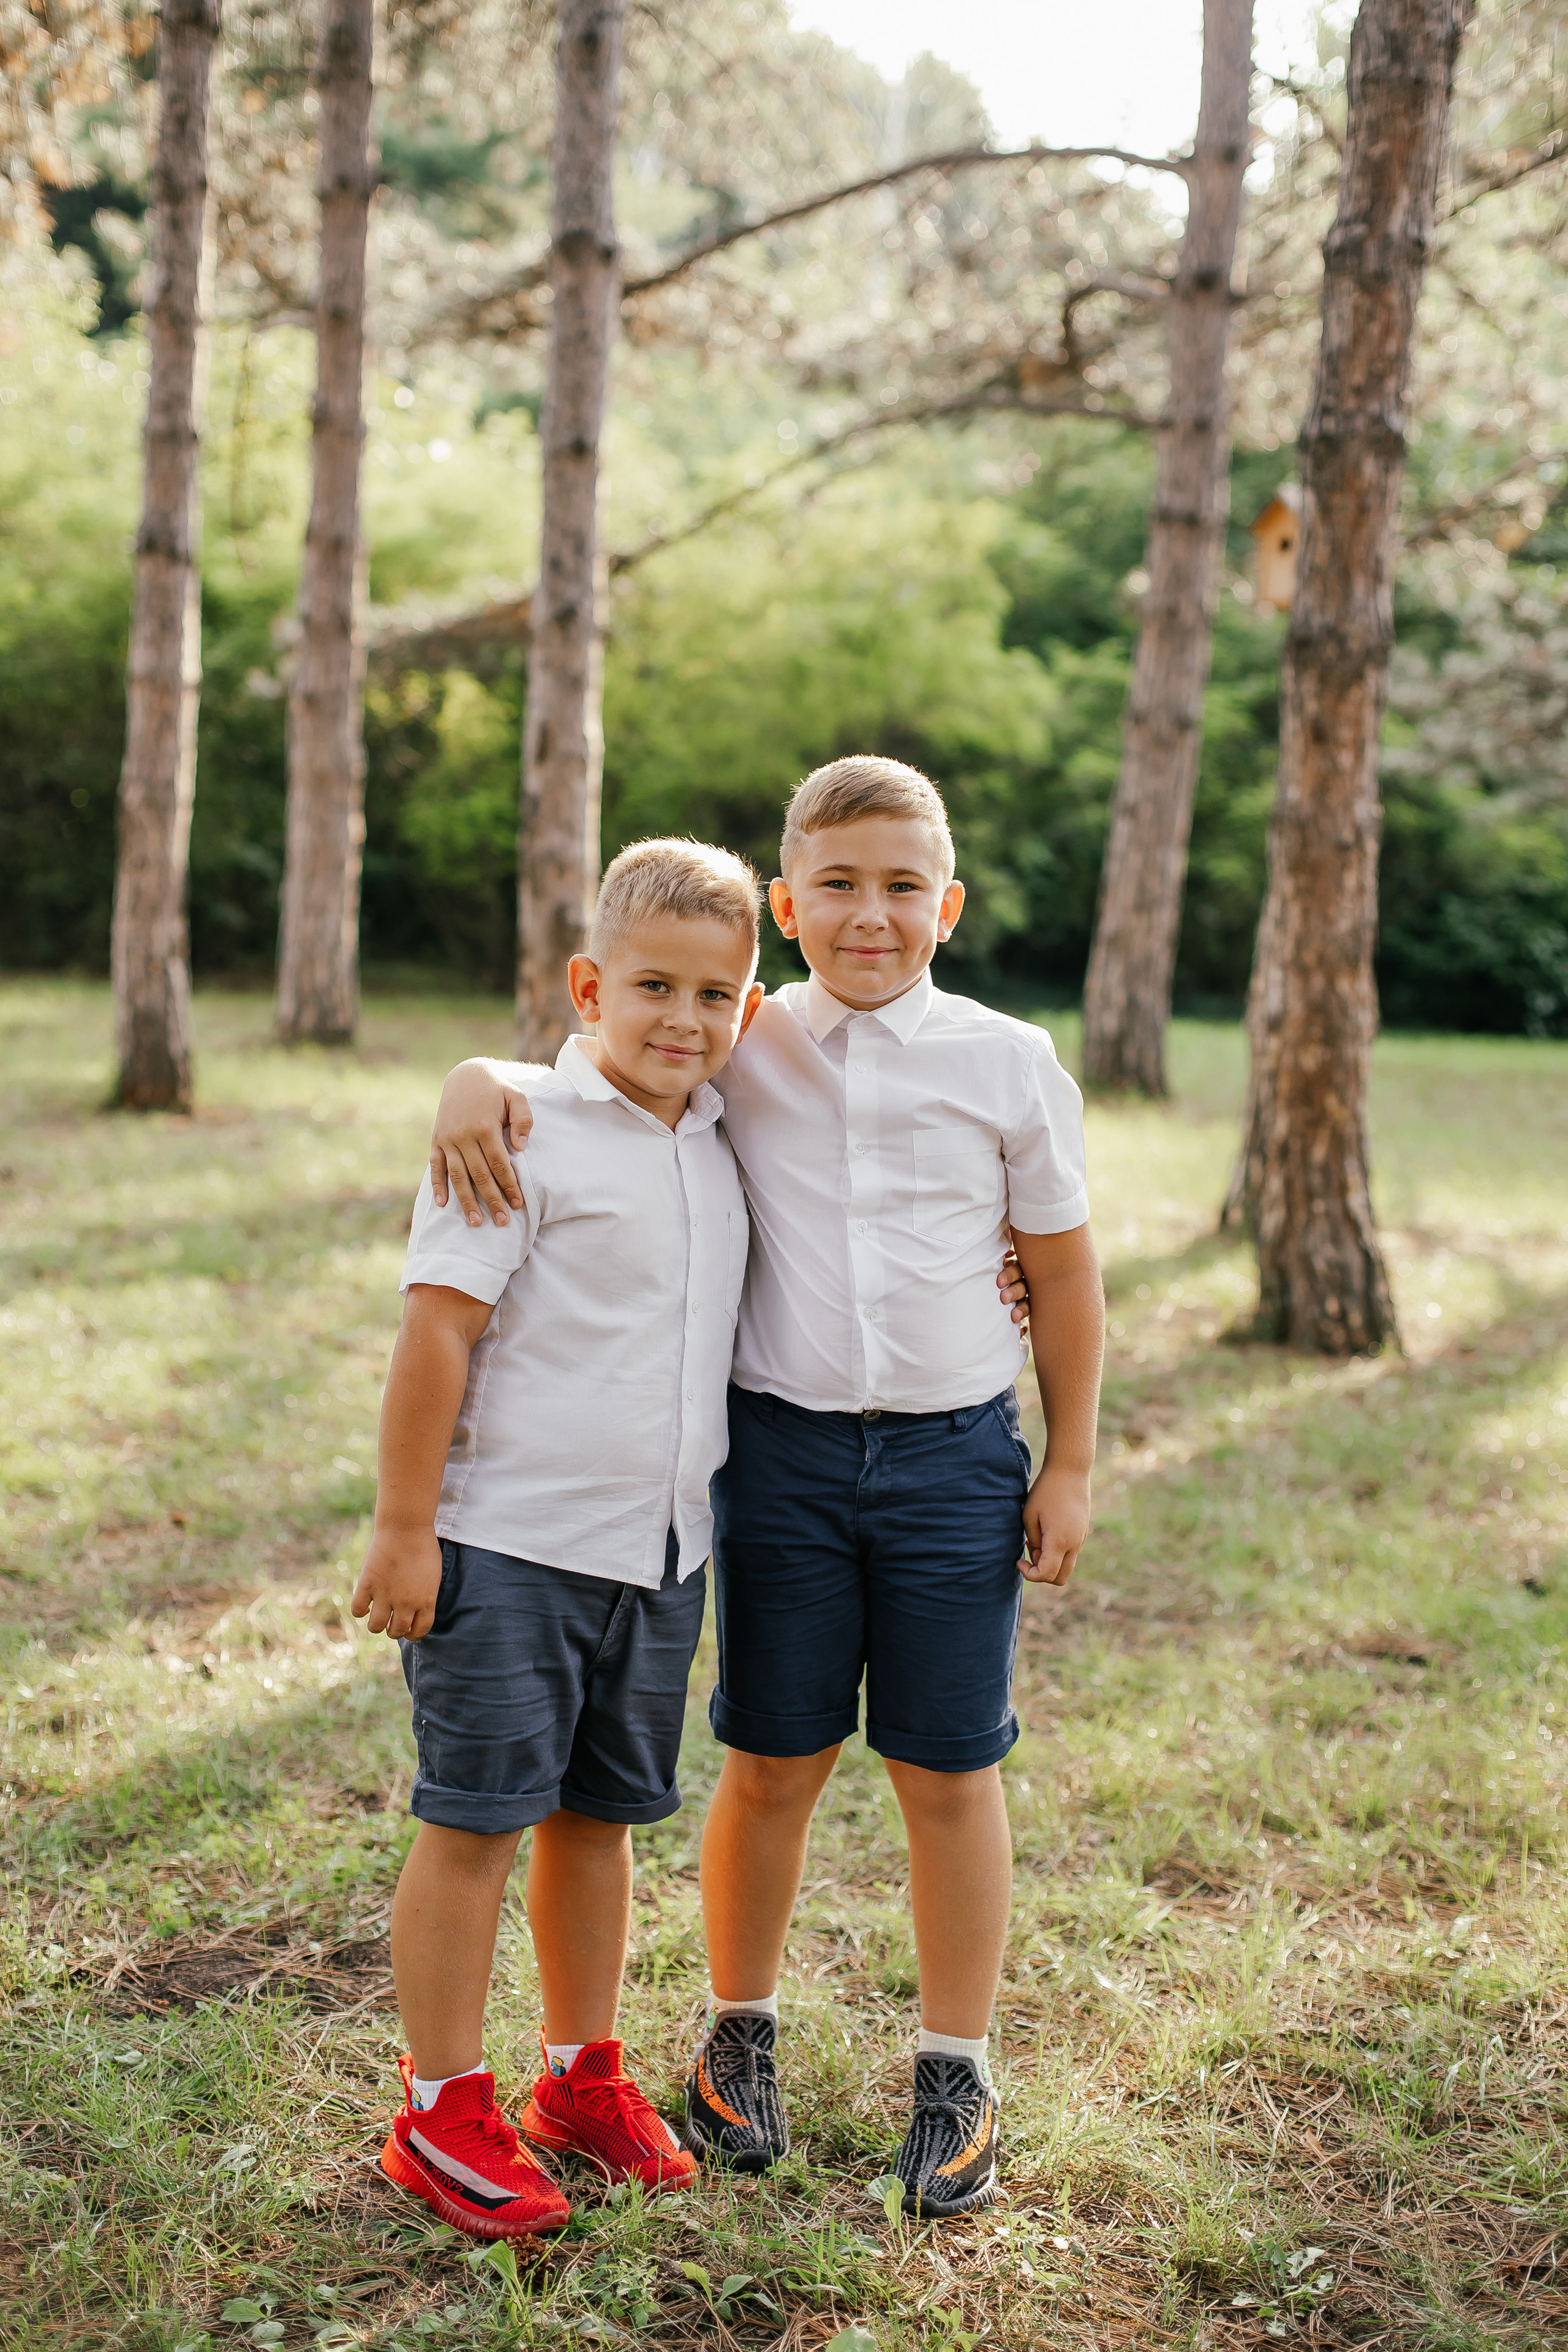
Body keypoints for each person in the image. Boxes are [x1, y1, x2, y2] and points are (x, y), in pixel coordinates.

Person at [427, 757, 1105, 2218]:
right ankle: (741, 2030)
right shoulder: (746, 1039)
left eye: (904, 886)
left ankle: (955, 2064)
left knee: (946, 1766)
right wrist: (469, 1078)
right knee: (775, 1758)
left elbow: (1057, 1270)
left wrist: (1072, 1461)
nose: (872, 916)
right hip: (781, 1456)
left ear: (950, 904)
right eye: (839, 888)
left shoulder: (1007, 1059)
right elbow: (603, 1048)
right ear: (788, 908)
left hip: (951, 1462)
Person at [351, 837, 764, 2239]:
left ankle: (578, 2074)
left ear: (745, 1015)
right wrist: (407, 1528)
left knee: (601, 1823)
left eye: (715, 996)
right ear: (588, 985)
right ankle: (438, 2106)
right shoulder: (515, 1130)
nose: (681, 1021)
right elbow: (436, 1334)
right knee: (475, 1823)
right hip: (507, 1549)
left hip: (657, 1557)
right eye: (651, 986)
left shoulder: (721, 1134)